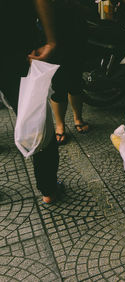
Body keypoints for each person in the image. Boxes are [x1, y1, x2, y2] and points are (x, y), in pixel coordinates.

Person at [0, 0, 61, 204]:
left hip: (14, 46)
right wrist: (51, 40)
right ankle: (48, 189)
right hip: (15, 45)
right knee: (36, 117)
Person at [50, 0, 90, 145]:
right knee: (59, 85)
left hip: (77, 35)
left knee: (76, 82)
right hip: (55, 36)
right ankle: (60, 125)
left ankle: (78, 118)